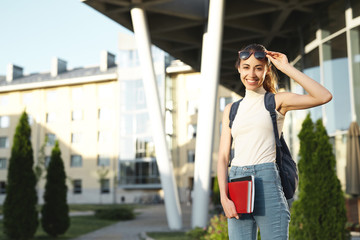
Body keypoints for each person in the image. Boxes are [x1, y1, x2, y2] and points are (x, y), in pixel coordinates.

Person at [217, 43, 332, 240]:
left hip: (267, 180)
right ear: (239, 68)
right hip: (237, 183)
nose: (251, 74)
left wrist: (286, 67)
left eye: (258, 67)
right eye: (246, 67)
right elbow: (223, 157)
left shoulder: (276, 101)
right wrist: (224, 197)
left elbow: (323, 96)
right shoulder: (231, 110)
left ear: (267, 70)